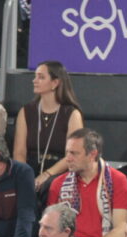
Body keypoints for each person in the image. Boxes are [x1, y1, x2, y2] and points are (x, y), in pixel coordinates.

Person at [13, 61, 83, 190]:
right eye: (35, 76)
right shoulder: (26, 111)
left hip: (59, 170)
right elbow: (19, 152)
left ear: (55, 83)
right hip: (29, 168)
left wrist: (47, 174)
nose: (35, 80)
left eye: (41, 77)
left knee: (49, 186)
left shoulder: (72, 114)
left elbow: (72, 155)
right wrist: (25, 176)